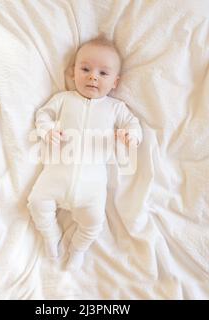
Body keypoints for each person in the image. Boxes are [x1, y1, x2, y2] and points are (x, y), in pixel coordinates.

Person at [27, 35, 143, 270]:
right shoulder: (63, 100)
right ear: (73, 72)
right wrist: (47, 130)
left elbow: (133, 124)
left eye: (103, 73)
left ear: (115, 82)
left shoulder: (115, 108)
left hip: (92, 185)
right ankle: (50, 235)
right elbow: (43, 115)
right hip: (56, 174)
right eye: (86, 69)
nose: (93, 76)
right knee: (36, 202)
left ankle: (78, 249)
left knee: (94, 223)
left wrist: (131, 136)